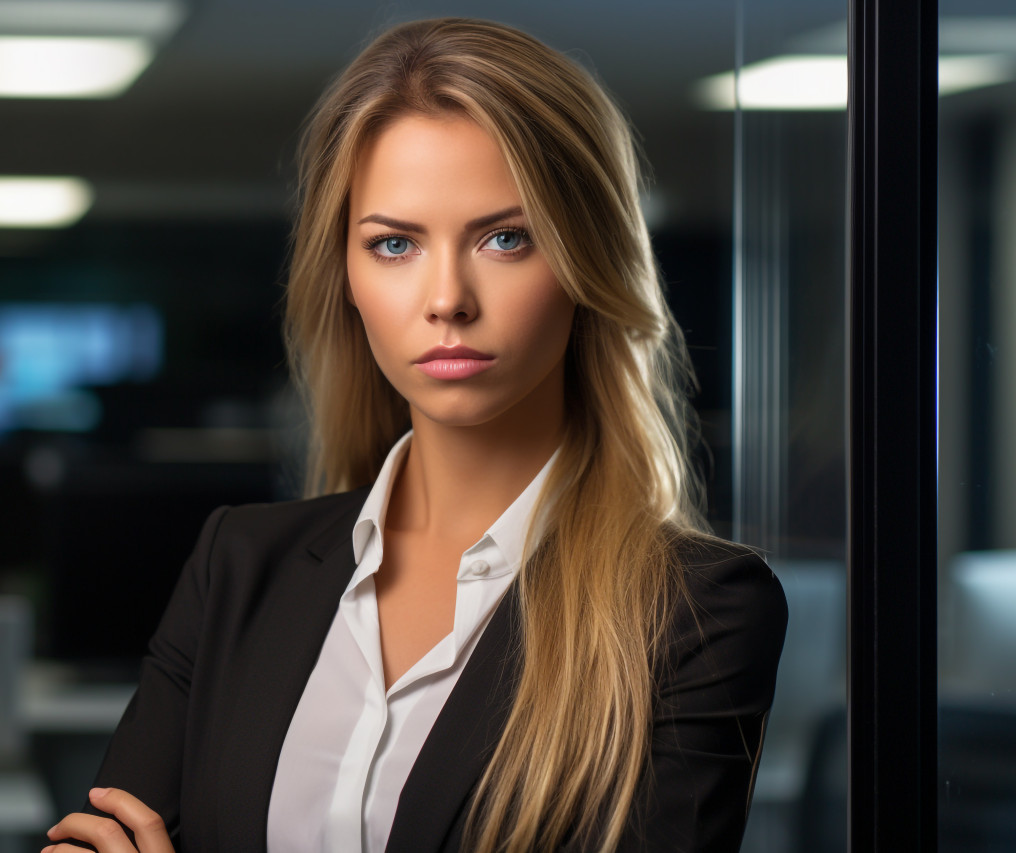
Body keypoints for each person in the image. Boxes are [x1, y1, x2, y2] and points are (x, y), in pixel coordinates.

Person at [44, 17, 787, 853]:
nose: (447, 299)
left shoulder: (694, 612)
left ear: (589, 261)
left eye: (506, 238)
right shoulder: (239, 565)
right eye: (394, 244)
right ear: (349, 278)